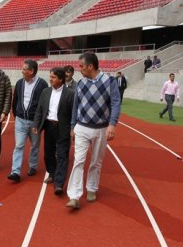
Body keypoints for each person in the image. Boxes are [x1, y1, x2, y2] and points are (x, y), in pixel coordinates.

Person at [65, 52, 121, 210]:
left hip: (101, 129)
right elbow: (76, 106)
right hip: (82, 127)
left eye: (81, 66)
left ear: (91, 66)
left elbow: (116, 103)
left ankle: (91, 188)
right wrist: (72, 126)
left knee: (96, 161)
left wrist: (112, 124)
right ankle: (74, 196)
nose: (79, 69)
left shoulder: (109, 81)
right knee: (78, 161)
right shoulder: (80, 84)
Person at [32, 67, 74, 195]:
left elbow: (73, 112)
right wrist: (36, 124)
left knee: (62, 155)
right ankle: (52, 173)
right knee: (48, 154)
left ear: (61, 79)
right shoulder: (45, 92)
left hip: (63, 128)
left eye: (53, 77)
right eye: (50, 77)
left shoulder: (70, 93)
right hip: (49, 126)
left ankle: (59, 183)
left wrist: (72, 128)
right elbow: (39, 110)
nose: (50, 79)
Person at [7, 59, 48, 183]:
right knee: (19, 145)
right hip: (20, 120)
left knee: (35, 146)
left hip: (34, 122)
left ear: (31, 71)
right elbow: (16, 100)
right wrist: (16, 113)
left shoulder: (42, 84)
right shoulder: (19, 83)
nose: (22, 71)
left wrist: (40, 122)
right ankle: (15, 172)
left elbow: (44, 105)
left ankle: (33, 166)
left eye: (24, 69)